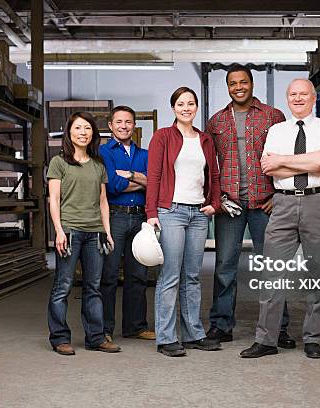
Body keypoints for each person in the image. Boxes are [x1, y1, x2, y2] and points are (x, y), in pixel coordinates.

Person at [240, 78, 320, 359]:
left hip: (319, 202)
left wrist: (286, 161)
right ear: (287, 98)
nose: (298, 98)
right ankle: (266, 340)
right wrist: (306, 162)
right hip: (282, 205)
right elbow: (268, 168)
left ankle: (313, 339)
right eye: (293, 93)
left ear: (313, 97)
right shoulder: (276, 130)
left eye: (303, 93)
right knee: (272, 272)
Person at [205, 64, 294, 347]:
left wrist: (279, 196)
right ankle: (221, 326)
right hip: (230, 205)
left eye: (243, 82)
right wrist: (216, 198)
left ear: (251, 84)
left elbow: (287, 158)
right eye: (233, 83)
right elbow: (210, 166)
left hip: (264, 204)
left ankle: (277, 327)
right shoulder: (216, 121)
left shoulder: (273, 116)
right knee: (224, 267)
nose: (238, 87)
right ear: (228, 87)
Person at [146, 86, 222, 357]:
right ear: (173, 108)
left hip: (199, 214)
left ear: (197, 107)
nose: (186, 108)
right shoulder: (163, 137)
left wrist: (215, 203)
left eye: (191, 103)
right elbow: (153, 176)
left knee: (192, 276)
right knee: (170, 275)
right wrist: (151, 212)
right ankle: (166, 338)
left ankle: (193, 334)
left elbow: (213, 173)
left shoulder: (205, 139)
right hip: (171, 212)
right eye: (181, 104)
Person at [47, 111, 121, 355]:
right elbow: (54, 200)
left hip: (94, 233)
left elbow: (102, 202)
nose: (83, 132)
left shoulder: (98, 164)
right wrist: (59, 231)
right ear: (69, 132)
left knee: (94, 287)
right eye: (78, 128)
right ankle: (60, 338)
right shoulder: (59, 162)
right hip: (69, 232)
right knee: (63, 286)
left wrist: (107, 232)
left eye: (87, 128)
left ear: (93, 134)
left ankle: (96, 338)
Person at [99, 106, 155, 342]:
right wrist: (142, 180)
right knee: (109, 274)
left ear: (134, 126)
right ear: (111, 125)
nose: (124, 126)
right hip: (116, 217)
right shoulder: (104, 152)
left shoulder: (144, 154)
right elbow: (112, 185)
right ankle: (104, 329)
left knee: (138, 274)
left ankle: (136, 326)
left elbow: (155, 182)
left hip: (140, 218)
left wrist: (130, 175)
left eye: (128, 122)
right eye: (119, 122)